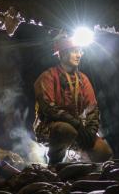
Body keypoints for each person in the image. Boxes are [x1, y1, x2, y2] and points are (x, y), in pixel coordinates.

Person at [34, 35, 113, 165]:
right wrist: (76, 124)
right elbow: (49, 109)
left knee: (104, 152)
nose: (79, 55)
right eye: (75, 51)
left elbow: (92, 108)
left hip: (78, 128)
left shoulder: (83, 79)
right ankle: (54, 163)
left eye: (80, 51)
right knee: (65, 130)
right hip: (49, 128)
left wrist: (91, 131)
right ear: (63, 54)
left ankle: (79, 163)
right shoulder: (47, 77)